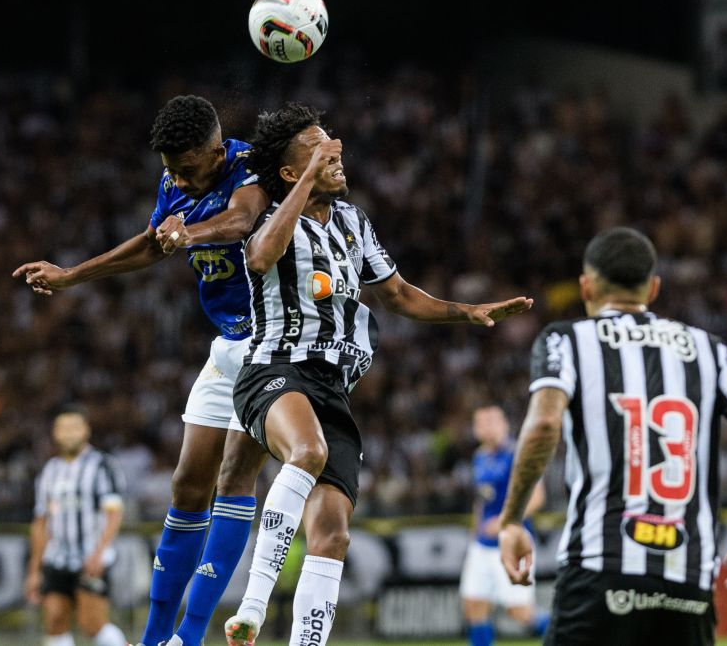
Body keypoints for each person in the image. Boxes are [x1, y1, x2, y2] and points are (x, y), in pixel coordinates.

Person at [217, 102, 534, 646]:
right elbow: (259, 259)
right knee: (308, 453)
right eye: (318, 150)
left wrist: (466, 311)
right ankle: (252, 606)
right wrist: (304, 184)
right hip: (275, 368)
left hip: (333, 389)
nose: (335, 153)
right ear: (292, 172)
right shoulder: (266, 213)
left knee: (333, 533)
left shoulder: (353, 222)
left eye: (332, 142)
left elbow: (397, 295)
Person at [12, 95, 270, 646]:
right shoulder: (177, 180)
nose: (175, 178)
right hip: (227, 343)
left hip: (272, 342)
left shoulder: (252, 165)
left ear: (217, 151)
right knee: (186, 484)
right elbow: (153, 246)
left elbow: (244, 219)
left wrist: (189, 234)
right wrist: (71, 276)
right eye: (169, 169)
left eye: (186, 168)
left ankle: (190, 636)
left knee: (232, 478)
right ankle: (155, 639)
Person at [497, 227, 727, 646]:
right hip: (688, 578)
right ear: (653, 288)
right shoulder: (707, 348)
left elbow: (544, 423)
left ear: (585, 286)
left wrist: (511, 520)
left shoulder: (567, 339)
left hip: (600, 566)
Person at [25, 409, 128, 646]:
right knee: (54, 620)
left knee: (91, 623)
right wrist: (34, 569)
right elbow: (40, 522)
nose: (70, 434)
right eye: (64, 428)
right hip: (57, 558)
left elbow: (114, 513)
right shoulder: (50, 470)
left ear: (86, 431)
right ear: (55, 433)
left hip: (91, 556)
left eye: (75, 427)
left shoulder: (103, 465)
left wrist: (99, 552)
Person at [461, 405, 546, 645]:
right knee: (473, 606)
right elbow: (481, 500)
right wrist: (474, 529)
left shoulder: (518, 453)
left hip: (511, 541)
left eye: (493, 421)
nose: (488, 427)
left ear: (505, 425)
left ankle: (568, 633)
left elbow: (537, 496)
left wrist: (502, 521)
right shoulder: (479, 457)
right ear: (475, 429)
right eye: (482, 423)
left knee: (520, 613)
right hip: (481, 545)